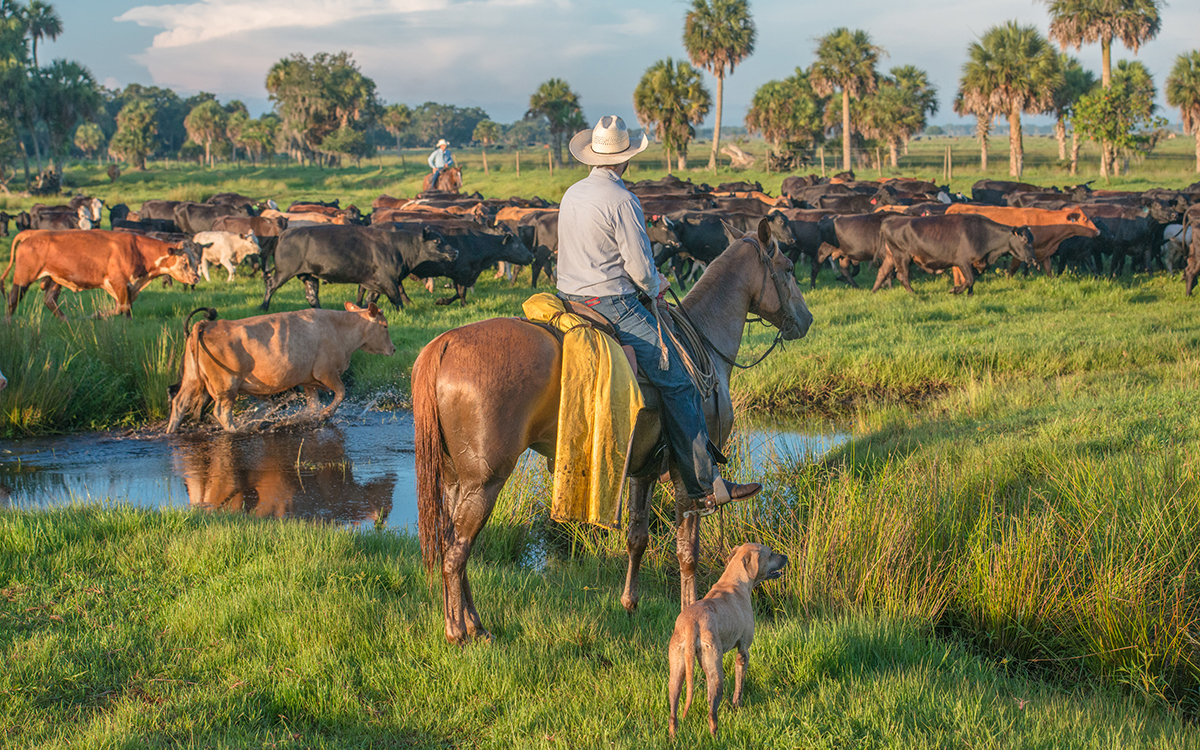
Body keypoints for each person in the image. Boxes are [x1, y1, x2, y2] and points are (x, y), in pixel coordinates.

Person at [556, 115, 761, 515]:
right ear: (625, 159)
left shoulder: (572, 193)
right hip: (611, 305)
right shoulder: (622, 200)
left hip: (568, 300)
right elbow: (639, 267)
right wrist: (657, 286)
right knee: (680, 380)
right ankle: (704, 484)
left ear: (593, 156)